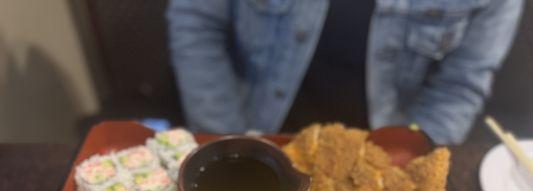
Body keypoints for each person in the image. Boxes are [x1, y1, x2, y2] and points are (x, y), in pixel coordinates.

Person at [166, 0, 523, 144]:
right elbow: (196, 22)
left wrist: (402, 158)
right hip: (255, 131)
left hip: (382, 148)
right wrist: (229, 140)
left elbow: (460, 84)